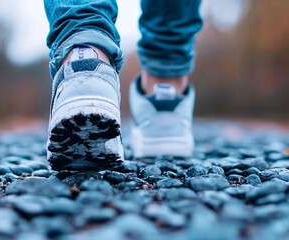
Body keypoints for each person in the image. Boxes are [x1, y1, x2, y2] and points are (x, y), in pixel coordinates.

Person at [44, 0, 202, 171]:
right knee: (167, 53)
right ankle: (166, 81)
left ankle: (83, 56)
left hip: (72, 72)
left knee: (83, 23)